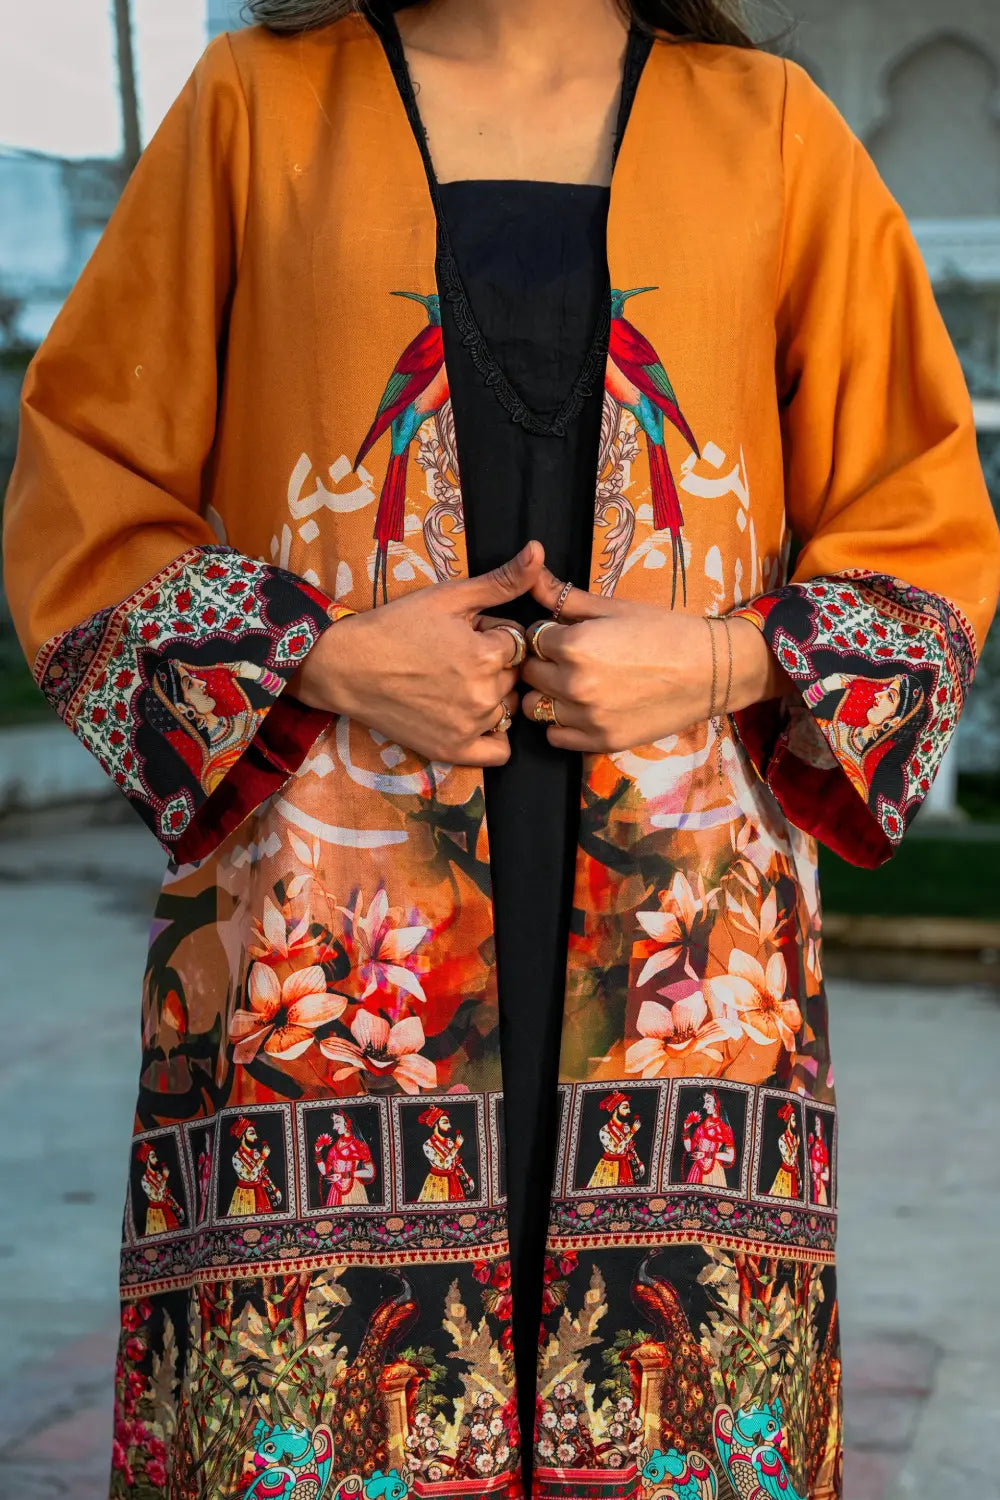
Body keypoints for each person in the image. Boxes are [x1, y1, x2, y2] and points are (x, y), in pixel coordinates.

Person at [3, 0, 998, 1495]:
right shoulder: (254, 110)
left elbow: (926, 536)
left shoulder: (775, 131)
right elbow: (83, 493)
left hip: (689, 972)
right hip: (328, 956)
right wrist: (328, 656)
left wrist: (718, 659)